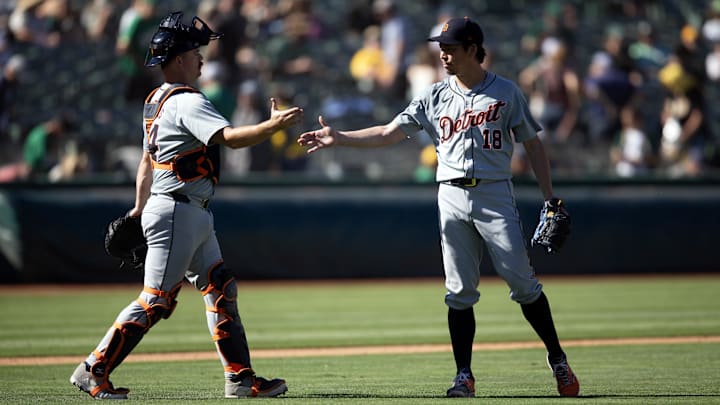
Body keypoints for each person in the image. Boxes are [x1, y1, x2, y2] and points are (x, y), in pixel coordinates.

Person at [298, 16, 580, 398]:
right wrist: (340, 137)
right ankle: (463, 374)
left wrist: (549, 197)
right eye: (441, 47)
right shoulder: (433, 95)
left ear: (472, 49)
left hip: (495, 192)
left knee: (522, 284)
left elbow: (533, 146)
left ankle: (557, 358)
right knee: (459, 291)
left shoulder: (506, 93)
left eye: (450, 47)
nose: (443, 53)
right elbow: (388, 132)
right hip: (449, 193)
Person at [69, 11, 303, 400]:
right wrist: (272, 127)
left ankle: (240, 379)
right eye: (196, 51)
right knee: (156, 299)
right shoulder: (187, 100)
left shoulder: (155, 100)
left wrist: (137, 211)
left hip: (182, 209)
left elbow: (147, 163)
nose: (202, 58)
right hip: (179, 209)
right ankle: (93, 369)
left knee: (220, 286)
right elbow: (228, 138)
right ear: (178, 58)